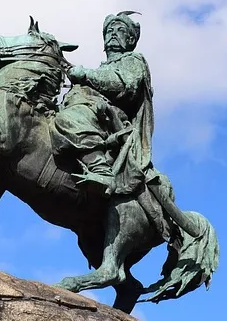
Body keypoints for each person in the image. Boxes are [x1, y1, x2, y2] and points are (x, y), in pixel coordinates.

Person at [52, 11, 153, 195]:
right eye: (109, 31)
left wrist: (85, 75)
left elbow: (123, 84)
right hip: (89, 111)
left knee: (68, 119)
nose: (113, 33)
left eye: (120, 30)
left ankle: (102, 171)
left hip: (110, 120)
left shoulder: (133, 60)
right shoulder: (101, 69)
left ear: (130, 40)